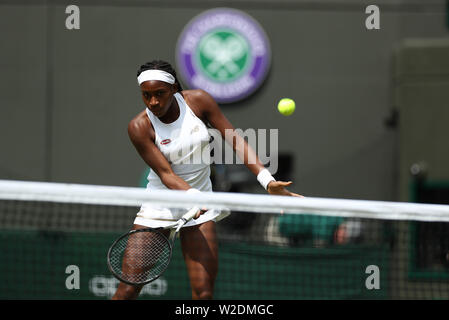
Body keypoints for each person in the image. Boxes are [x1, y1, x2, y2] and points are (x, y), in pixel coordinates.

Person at [111, 60, 302, 300]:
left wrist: (266, 180)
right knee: (127, 290)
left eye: (159, 94)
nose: (153, 102)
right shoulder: (139, 127)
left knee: (203, 293)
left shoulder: (199, 101)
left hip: (202, 209)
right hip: (159, 206)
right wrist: (194, 197)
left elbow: (235, 140)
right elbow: (166, 174)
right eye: (146, 96)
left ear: (174, 88)